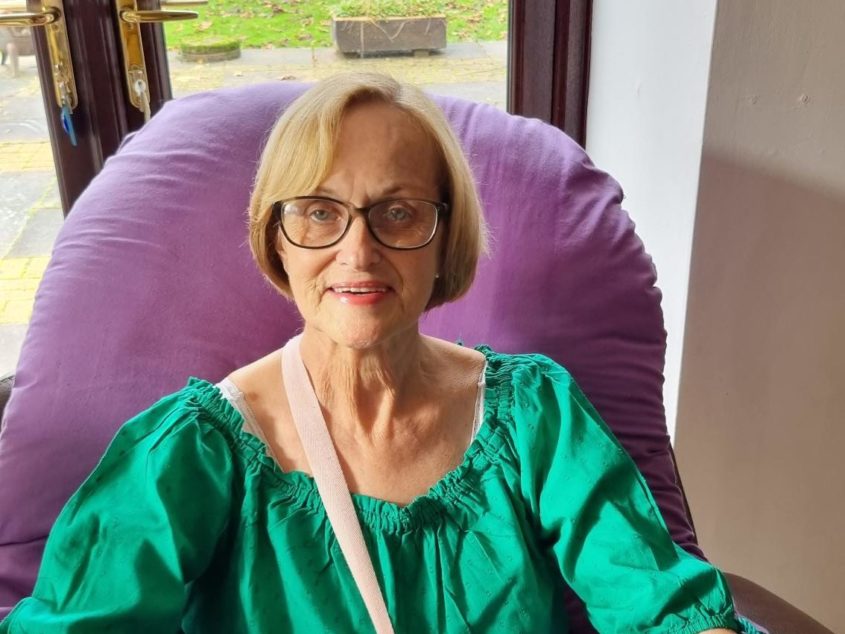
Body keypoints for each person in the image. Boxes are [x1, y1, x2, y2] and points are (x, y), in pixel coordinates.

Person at [0, 72, 759, 633]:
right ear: (276, 238)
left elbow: (663, 606)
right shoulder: (195, 452)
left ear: (444, 238)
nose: (356, 251)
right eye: (319, 212)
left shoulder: (535, 417)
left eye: (397, 212)